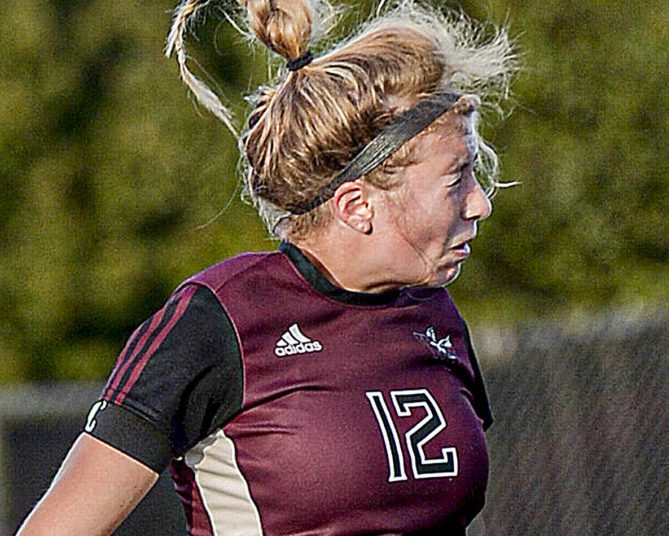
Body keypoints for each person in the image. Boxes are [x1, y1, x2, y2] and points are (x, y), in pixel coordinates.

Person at [17, 0, 517, 534]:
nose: (479, 202)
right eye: (456, 177)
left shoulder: (435, 314)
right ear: (356, 206)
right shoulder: (219, 318)